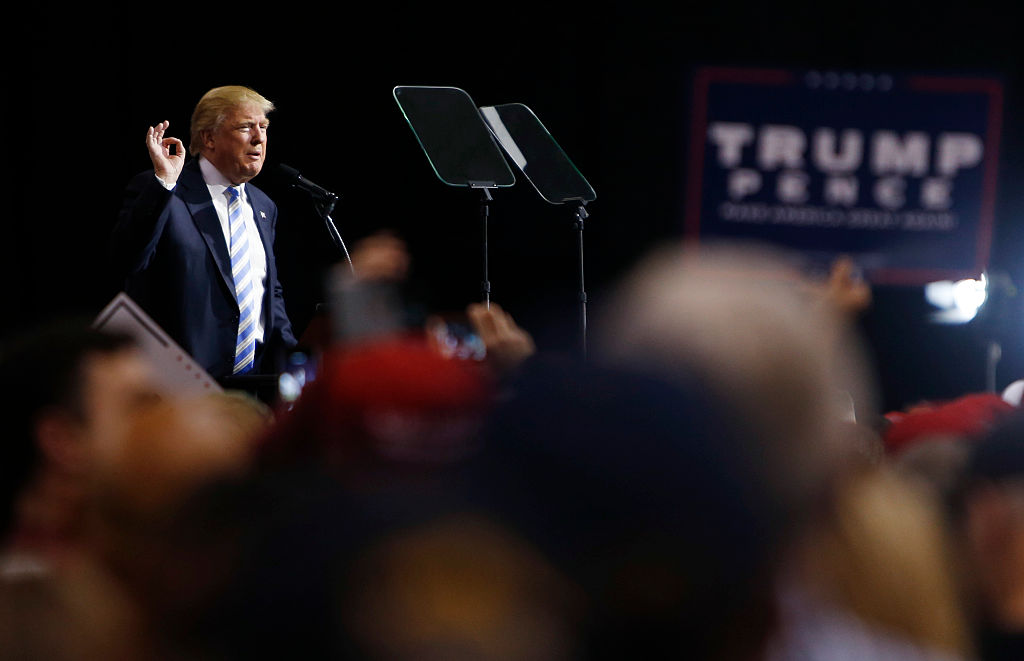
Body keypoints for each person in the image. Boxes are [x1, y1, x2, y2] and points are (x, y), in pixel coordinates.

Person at [111, 85, 296, 379]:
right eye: (246, 127)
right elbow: (127, 261)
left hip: (254, 384)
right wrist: (164, 184)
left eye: (264, 127)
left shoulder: (264, 206)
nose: (259, 138)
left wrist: (292, 358)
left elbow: (267, 290)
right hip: (180, 384)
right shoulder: (166, 192)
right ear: (209, 138)